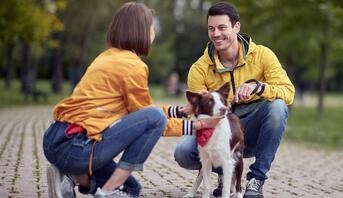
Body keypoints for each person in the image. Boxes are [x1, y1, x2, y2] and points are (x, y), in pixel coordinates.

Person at [43, 2, 222, 198]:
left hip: (56, 138)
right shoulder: (133, 66)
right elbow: (153, 121)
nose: (153, 31)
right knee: (154, 118)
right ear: (142, 30)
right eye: (151, 26)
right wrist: (199, 124)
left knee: (131, 189)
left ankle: (69, 177)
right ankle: (106, 190)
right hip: (77, 146)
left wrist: (178, 111)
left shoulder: (106, 57)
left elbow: (139, 112)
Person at [173, 2, 295, 198]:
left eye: (222, 27)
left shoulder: (263, 55)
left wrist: (259, 87)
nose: (216, 34)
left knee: (278, 108)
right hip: (218, 127)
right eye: (211, 28)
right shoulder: (199, 68)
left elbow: (288, 92)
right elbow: (199, 113)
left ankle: (256, 179)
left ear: (236, 27)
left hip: (252, 128)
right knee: (183, 152)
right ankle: (223, 170)